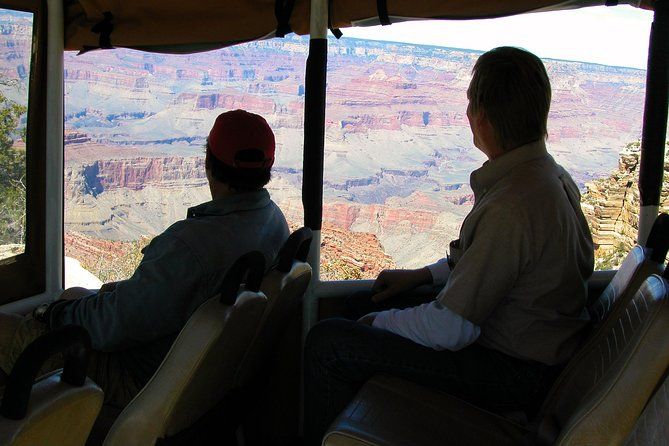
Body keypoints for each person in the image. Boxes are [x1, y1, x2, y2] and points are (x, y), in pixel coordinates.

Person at [303, 47, 594, 445]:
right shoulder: (549, 176)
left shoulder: (515, 203)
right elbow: (488, 263)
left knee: (329, 343)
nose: (467, 114)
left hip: (512, 372)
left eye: (471, 103)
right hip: (529, 354)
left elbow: (450, 329)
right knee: (359, 304)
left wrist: (377, 326)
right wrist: (422, 276)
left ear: (484, 118)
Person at [0, 109, 290, 408]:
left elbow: (112, 327)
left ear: (208, 163)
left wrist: (50, 314)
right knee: (75, 294)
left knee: (7, 331)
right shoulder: (274, 221)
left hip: (141, 381)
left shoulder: (190, 245)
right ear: (267, 167)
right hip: (203, 379)